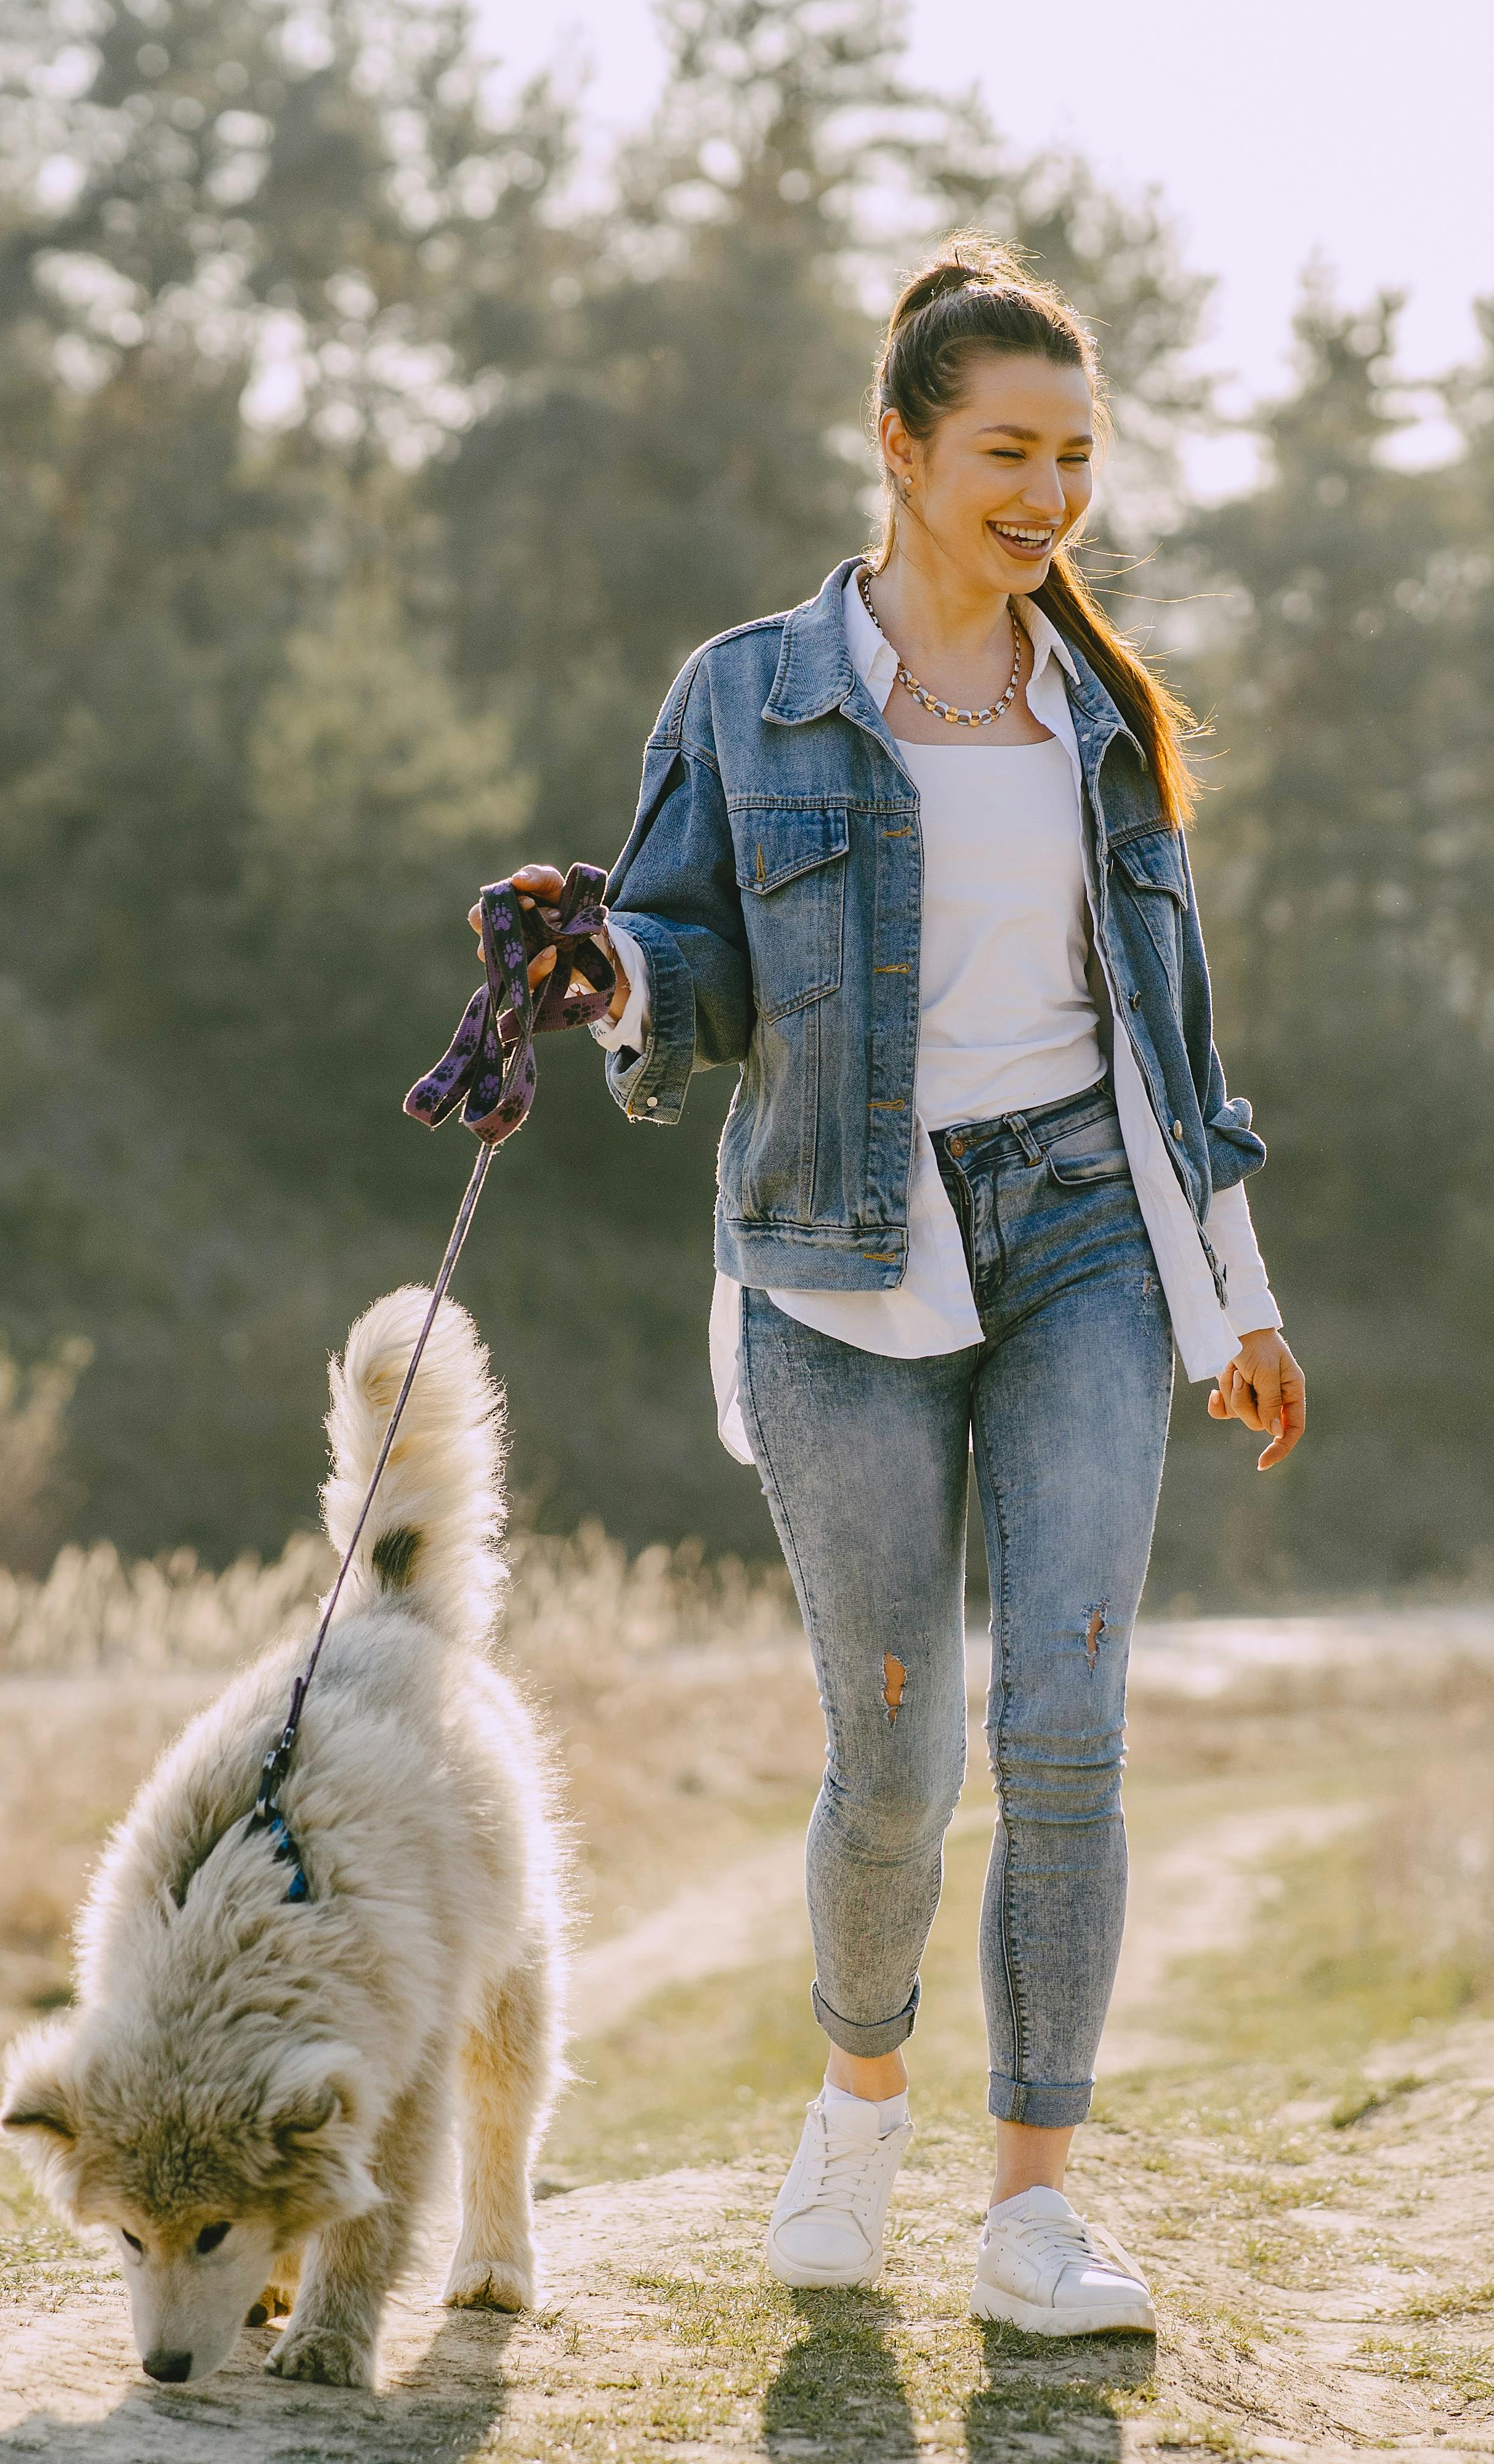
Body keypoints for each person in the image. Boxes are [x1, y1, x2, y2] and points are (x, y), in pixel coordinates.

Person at [477, 235, 1305, 2336]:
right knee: (898, 1753)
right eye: (1009, 451)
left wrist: (1238, 1292)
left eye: (1076, 457)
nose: (1049, 494)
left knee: (1070, 1734)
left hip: (1091, 1236)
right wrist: (608, 971)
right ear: (904, 449)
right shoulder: (751, 692)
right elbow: (688, 954)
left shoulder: (1103, 711)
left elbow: (1173, 1034)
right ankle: (858, 2113)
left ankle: (1033, 2212)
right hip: (838, 1251)